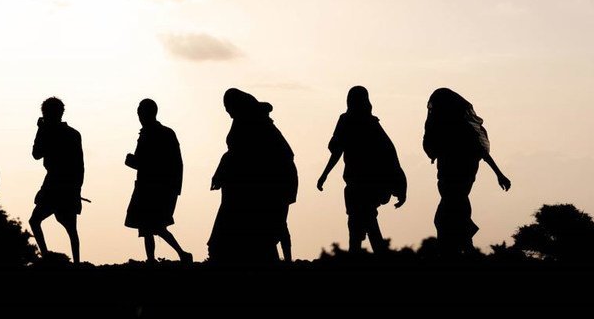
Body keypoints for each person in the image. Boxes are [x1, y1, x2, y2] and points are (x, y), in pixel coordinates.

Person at [207, 88, 297, 264]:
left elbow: (249, 154)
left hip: (271, 181)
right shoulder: (243, 121)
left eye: (229, 108)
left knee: (273, 225)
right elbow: (233, 152)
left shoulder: (257, 124)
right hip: (248, 182)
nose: (228, 113)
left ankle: (286, 261)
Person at [316, 86, 407, 254]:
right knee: (366, 224)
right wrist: (400, 186)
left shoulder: (347, 121)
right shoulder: (371, 124)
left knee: (359, 226)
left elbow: (337, 151)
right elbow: (390, 155)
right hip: (367, 185)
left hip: (358, 184)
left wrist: (324, 175)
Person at [422, 88, 511, 256]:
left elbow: (482, 152)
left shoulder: (460, 128)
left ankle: (460, 251)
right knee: (454, 216)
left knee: (445, 219)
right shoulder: (445, 128)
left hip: (458, 179)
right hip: (450, 179)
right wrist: (499, 175)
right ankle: (464, 250)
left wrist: (499, 174)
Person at [124, 99, 193, 263]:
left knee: (153, 225)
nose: (140, 116)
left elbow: (148, 162)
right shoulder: (163, 133)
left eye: (141, 113)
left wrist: (130, 161)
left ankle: (180, 254)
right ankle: (153, 258)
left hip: (154, 187)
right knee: (149, 226)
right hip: (155, 186)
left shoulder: (154, 134)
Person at [30, 97, 85, 263]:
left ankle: (47, 256)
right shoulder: (73, 134)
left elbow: (36, 154)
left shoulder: (49, 132)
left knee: (36, 221)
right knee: (71, 229)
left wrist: (41, 130)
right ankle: (75, 262)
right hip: (66, 185)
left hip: (55, 184)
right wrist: (77, 188)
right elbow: (80, 166)